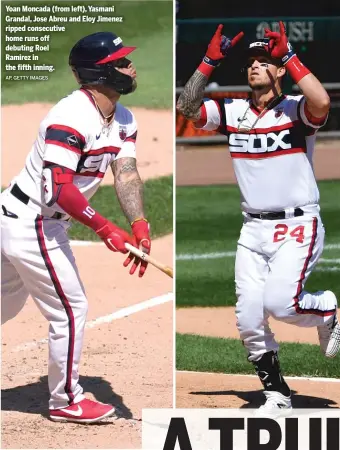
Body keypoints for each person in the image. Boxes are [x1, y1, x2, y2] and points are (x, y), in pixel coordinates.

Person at [177, 22, 340, 416]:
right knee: (249, 316)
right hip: (253, 229)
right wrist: (207, 62)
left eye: (264, 61)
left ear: (279, 70)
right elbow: (186, 108)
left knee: (282, 305)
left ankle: (326, 309)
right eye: (251, 61)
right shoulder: (233, 111)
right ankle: (277, 394)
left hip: (297, 224)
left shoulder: (294, 111)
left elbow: (322, 103)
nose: (255, 66)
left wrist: (289, 56)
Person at [1, 31, 151, 424]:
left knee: (4, 305)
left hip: (24, 220)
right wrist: (104, 228)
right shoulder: (70, 117)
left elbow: (127, 173)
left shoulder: (123, 118)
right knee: (71, 310)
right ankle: (67, 400)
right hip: (33, 221)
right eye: (121, 62)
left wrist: (138, 224)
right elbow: (59, 189)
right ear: (99, 73)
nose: (131, 67)